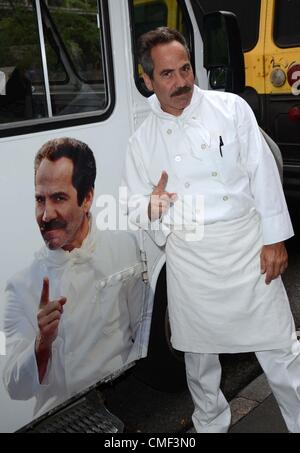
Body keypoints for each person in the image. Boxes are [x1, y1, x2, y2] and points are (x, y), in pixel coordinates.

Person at [122, 27, 300, 433]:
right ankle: (210, 426)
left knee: (281, 351)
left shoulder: (231, 109)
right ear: (147, 81)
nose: (182, 82)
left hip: (247, 249)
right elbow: (134, 205)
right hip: (192, 261)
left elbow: (263, 173)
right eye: (167, 75)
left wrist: (275, 238)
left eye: (185, 69)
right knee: (199, 364)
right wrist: (154, 204)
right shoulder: (141, 139)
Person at [3, 138, 146, 417]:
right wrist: (41, 343)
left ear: (87, 198)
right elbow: (12, 385)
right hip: (59, 419)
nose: (45, 215)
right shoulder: (19, 287)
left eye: (58, 198)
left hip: (121, 409)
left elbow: (142, 335)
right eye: (39, 199)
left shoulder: (126, 249)